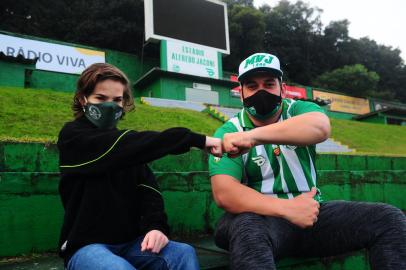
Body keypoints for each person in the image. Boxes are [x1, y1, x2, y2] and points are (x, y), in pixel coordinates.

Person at [209, 53, 406, 269]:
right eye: (252, 86)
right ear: (241, 93)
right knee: (247, 227)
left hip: (312, 214)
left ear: (282, 89)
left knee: (389, 219)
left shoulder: (298, 110)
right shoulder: (229, 131)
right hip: (262, 219)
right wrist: (286, 208)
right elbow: (225, 193)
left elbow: (320, 127)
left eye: (269, 84)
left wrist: (252, 136)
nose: (261, 91)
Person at [57, 63, 222, 270]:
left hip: (131, 244)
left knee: (182, 253)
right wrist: (196, 139)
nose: (110, 106)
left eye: (117, 100)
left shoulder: (128, 149)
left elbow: (149, 191)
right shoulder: (73, 137)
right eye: (100, 98)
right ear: (83, 99)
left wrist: (156, 228)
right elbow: (123, 146)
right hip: (86, 247)